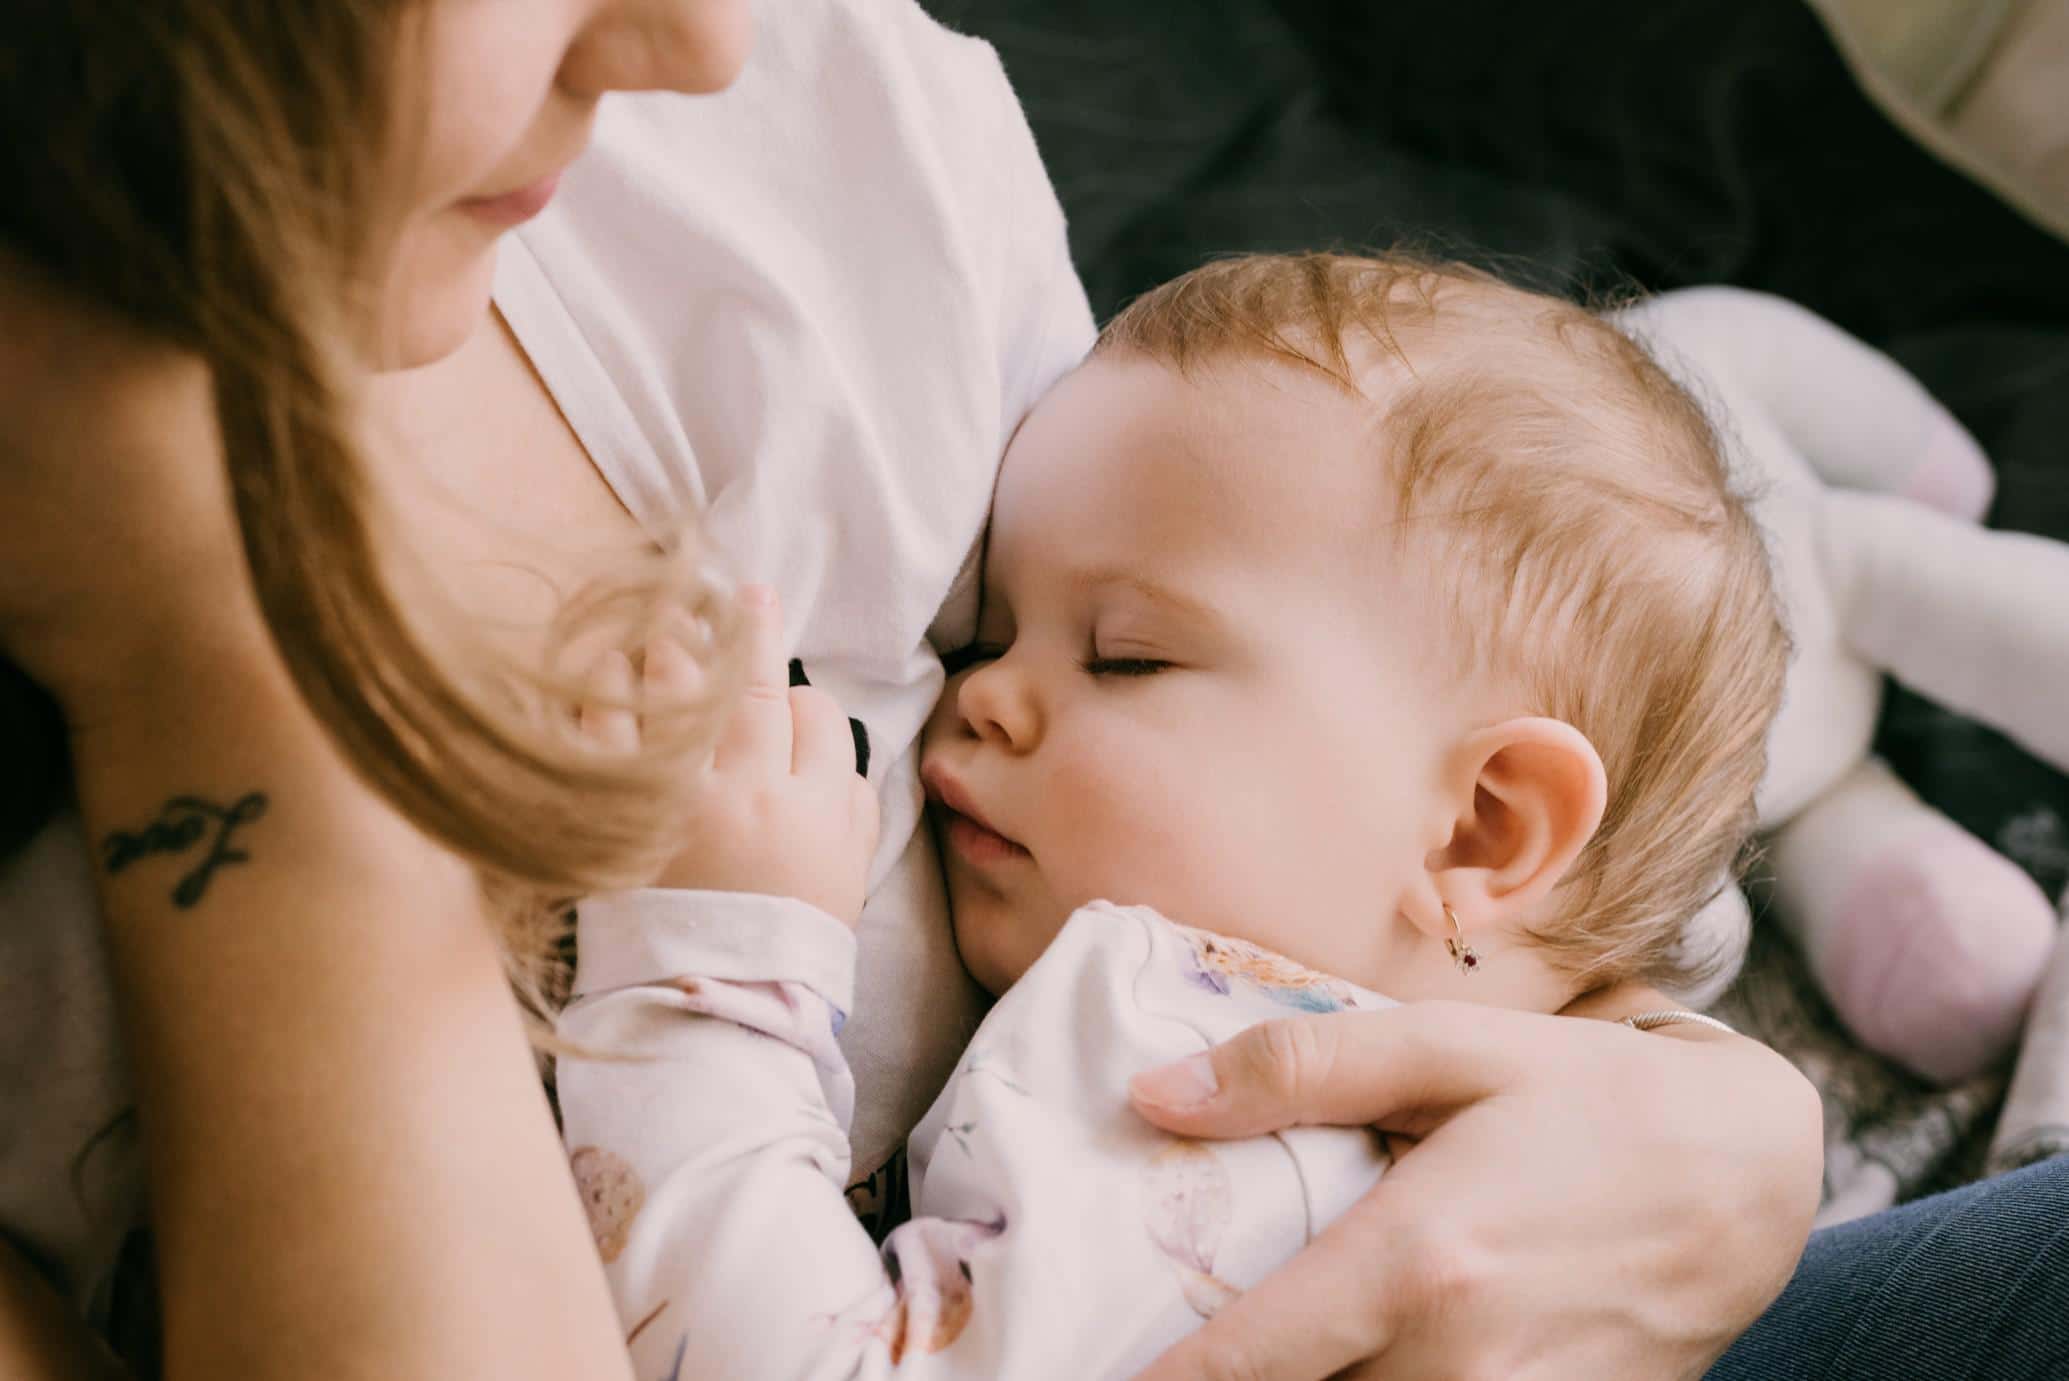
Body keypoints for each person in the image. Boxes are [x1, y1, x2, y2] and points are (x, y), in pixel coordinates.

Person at [5, 1, 2005, 1378]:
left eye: (1106, 657)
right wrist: (217, 655)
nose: (703, 42)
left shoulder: (842, 160)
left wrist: (1699, 1117)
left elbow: (1357, 667)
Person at [553, 250, 1796, 1376]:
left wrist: (710, 963)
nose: (982, 693)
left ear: (1483, 828)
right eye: (990, 633)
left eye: (1126, 655)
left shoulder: (1200, 1069)